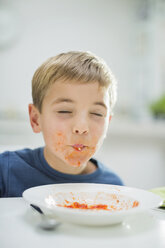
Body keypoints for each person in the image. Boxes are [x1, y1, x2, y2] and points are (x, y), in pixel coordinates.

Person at [0, 51, 124, 197]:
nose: (81, 128)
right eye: (65, 111)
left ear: (107, 123)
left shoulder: (114, 189)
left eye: (97, 114)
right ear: (35, 119)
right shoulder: (5, 171)